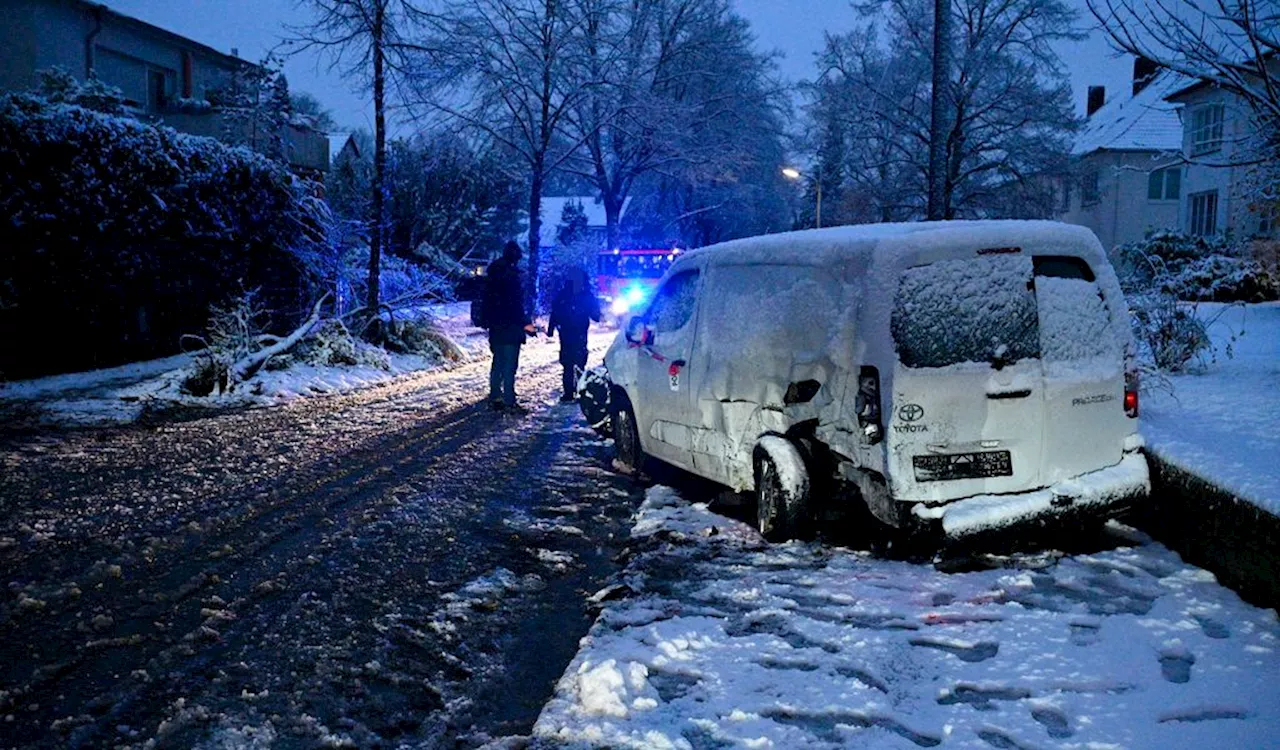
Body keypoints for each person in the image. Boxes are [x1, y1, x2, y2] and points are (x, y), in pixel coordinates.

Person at [484, 240, 536, 412]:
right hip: (510, 327)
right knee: (509, 365)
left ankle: (495, 396)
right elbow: (515, 305)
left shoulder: (492, 275)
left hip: (495, 326)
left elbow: (489, 302)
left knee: (498, 361)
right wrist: (525, 323)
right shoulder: (511, 277)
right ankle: (509, 401)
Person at [547, 265, 602, 402]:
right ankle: (579, 390)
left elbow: (555, 311)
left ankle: (568, 392)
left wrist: (551, 328)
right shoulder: (585, 295)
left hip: (566, 331)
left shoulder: (563, 294)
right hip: (579, 331)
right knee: (579, 361)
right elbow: (595, 315)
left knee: (567, 363)